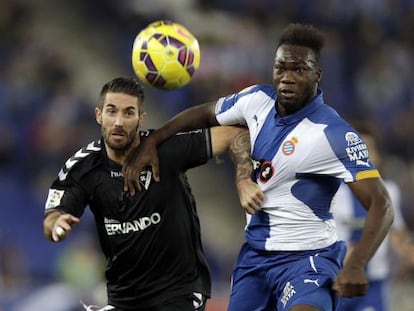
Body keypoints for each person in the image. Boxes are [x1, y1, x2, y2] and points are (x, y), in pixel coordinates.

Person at [121, 23, 395, 311]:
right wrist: (154, 139)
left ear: (317, 75)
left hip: (307, 261)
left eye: (299, 70)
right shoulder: (256, 100)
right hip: (255, 259)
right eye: (281, 68)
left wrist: (357, 263)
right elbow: (206, 113)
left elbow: (381, 203)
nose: (287, 78)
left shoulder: (334, 133)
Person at [43, 76, 261, 311]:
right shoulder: (82, 166)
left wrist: (243, 180)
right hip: (123, 298)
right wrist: (56, 225)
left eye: (128, 113)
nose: (118, 121)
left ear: (140, 119)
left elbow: (234, 134)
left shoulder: (164, 150)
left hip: (180, 292)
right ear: (99, 115)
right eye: (111, 111)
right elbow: (53, 215)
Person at [332, 122, 414, 311]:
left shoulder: (390, 191)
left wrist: (407, 251)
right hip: (335, 282)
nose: (363, 156)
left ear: (378, 156)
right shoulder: (330, 193)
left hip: (373, 284)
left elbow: (395, 232)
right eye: (358, 149)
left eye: (369, 149)